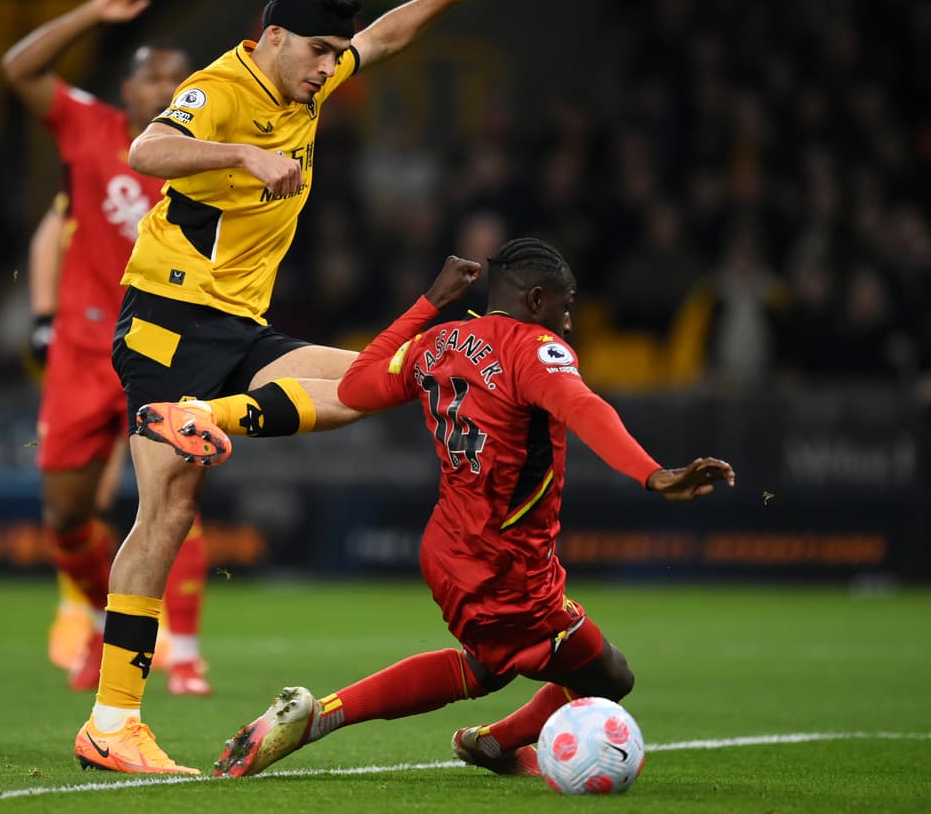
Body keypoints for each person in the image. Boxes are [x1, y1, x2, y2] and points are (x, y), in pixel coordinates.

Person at [74, 0, 530, 775]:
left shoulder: (308, 84)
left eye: (333, 54)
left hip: (235, 330)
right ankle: (112, 722)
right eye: (317, 50)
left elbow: (385, 35)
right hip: (168, 322)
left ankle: (204, 415)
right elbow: (147, 146)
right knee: (166, 513)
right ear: (273, 37)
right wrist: (243, 154)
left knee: (375, 379)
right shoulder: (224, 86)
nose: (330, 66)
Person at [211, 239, 736, 778]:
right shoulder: (533, 349)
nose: (570, 320)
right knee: (612, 677)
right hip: (508, 563)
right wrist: (653, 473)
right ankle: (440, 734)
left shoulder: (436, 342)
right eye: (565, 304)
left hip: (448, 548)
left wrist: (426, 303)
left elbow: (355, 386)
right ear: (536, 299)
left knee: (489, 667)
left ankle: (451, 738)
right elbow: (584, 407)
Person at [1, 0, 212, 698]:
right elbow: (18, 69)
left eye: (181, 80)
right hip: (82, 347)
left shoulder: (206, 157)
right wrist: (91, 13)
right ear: (125, 90)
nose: (167, 87)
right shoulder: (88, 127)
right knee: (65, 515)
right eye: (154, 75)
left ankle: (177, 651)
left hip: (161, 345)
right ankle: (97, 618)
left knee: (170, 494)